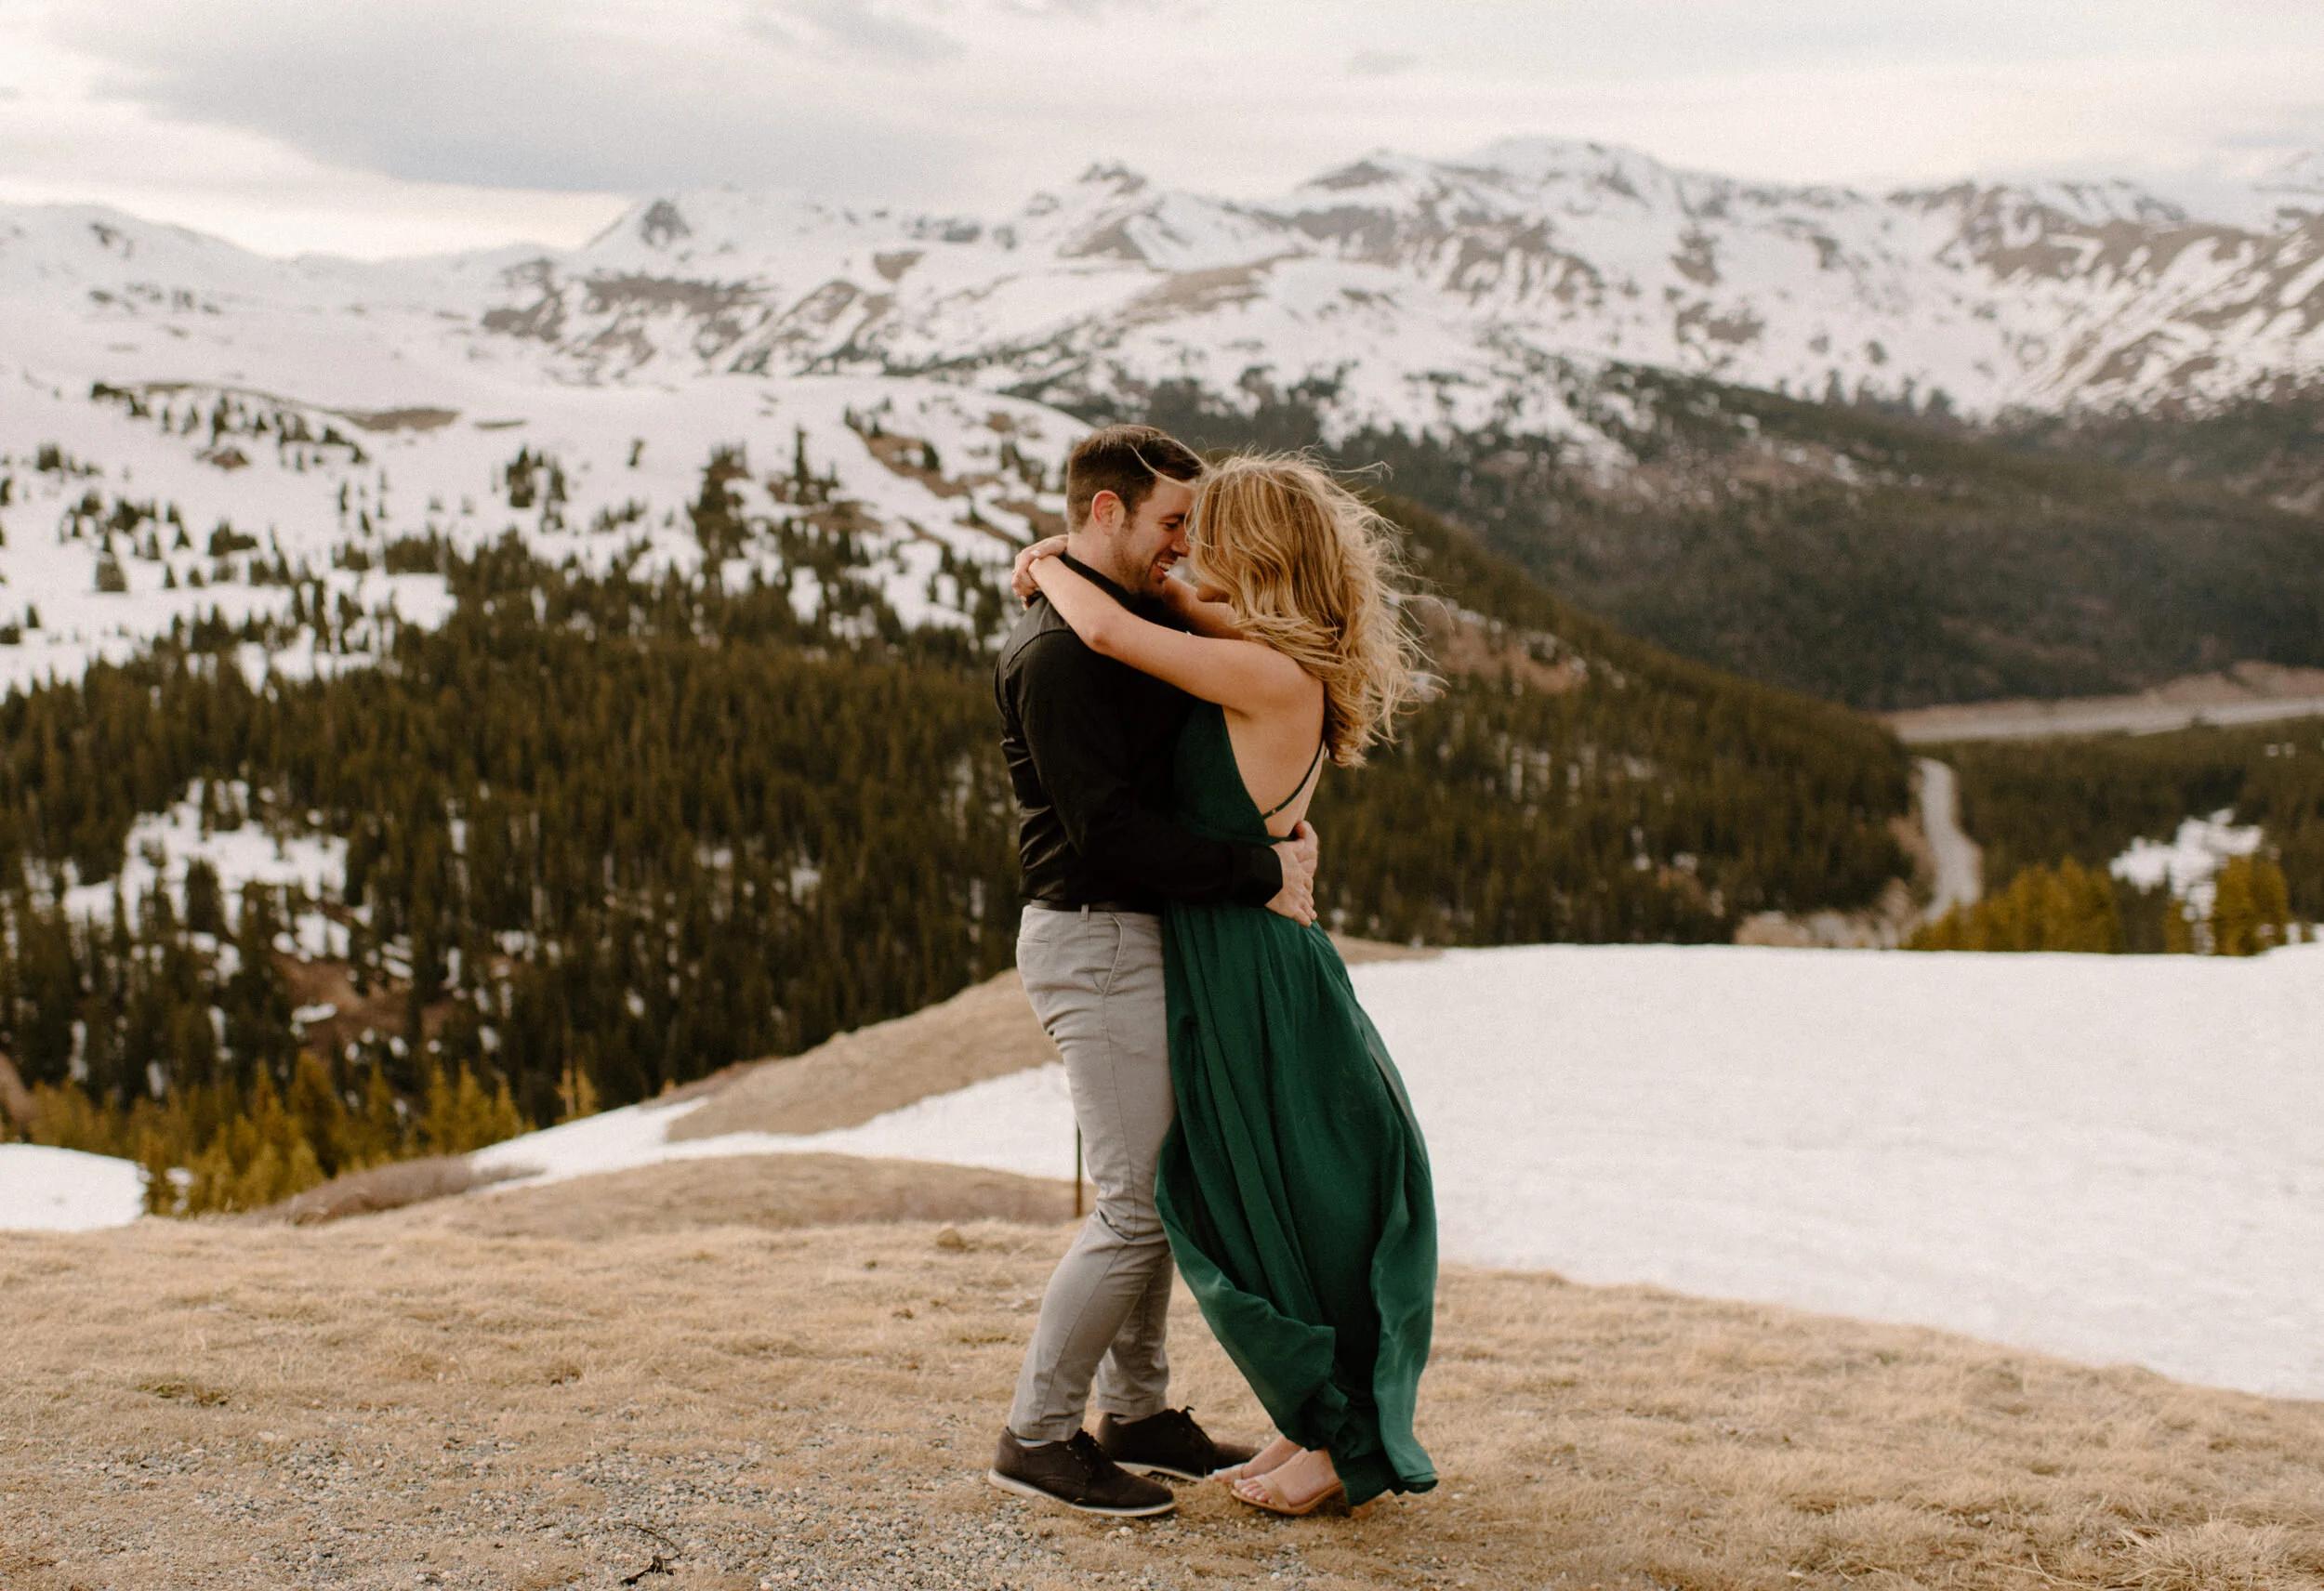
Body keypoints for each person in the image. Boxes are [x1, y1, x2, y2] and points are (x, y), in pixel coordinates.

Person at [1014, 453, 1438, 1518]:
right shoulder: (1253, 642)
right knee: (1246, 1197)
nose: (1187, 549)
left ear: (1255, 551)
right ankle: (1296, 1425)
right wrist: (1063, 558)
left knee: (1293, 1199)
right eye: (1178, 524)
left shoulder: (1262, 666)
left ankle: (1335, 1433)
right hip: (1214, 950)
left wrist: (1050, 559)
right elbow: (1152, 601)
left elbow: (1115, 629)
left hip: (1248, 964)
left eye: (1208, 530)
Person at [988, 426, 1321, 1519]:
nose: (1184, 543)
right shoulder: (1056, 655)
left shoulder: (1124, 620)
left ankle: (1136, 1413)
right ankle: (1038, 1432)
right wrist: (1256, 868)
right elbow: (1107, 833)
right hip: (1098, 932)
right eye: (1171, 521)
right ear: (1105, 514)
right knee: (1133, 1205)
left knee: (1158, 1189)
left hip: (1143, 933)